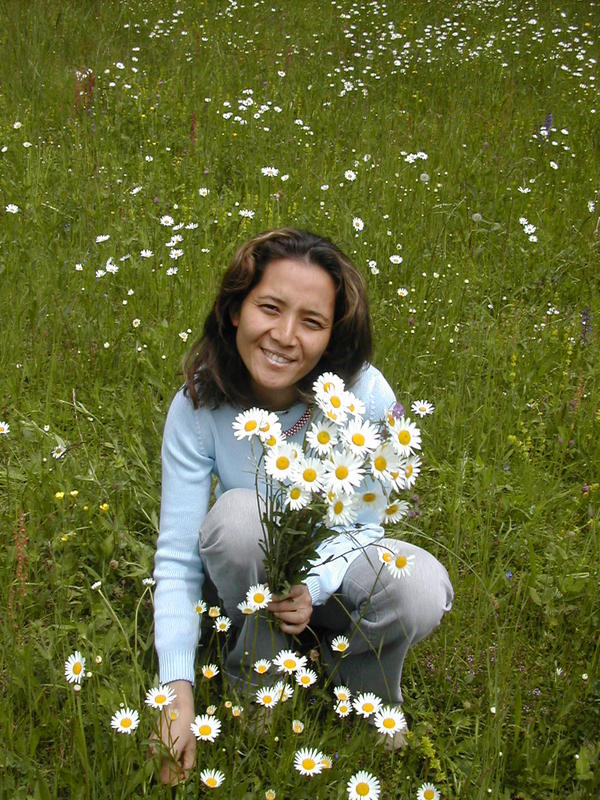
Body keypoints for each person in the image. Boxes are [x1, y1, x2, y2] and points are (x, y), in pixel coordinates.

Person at [153, 227, 453, 784]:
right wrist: (176, 691)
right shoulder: (199, 403)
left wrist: (313, 585)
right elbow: (176, 559)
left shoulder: (363, 396)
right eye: (269, 307)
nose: (285, 336)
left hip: (336, 572)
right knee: (243, 518)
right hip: (248, 578)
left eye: (311, 322)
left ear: (332, 334)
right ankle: (255, 681)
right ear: (236, 310)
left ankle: (361, 688)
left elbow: (369, 524)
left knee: (419, 585)